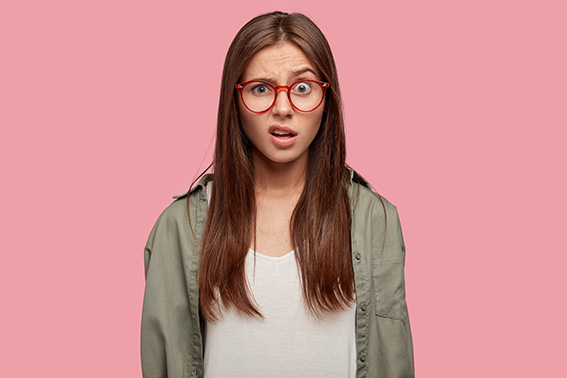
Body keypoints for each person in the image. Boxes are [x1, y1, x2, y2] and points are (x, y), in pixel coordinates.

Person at [141, 11, 414, 378]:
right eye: (260, 88)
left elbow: (393, 361)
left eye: (302, 88)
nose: (283, 108)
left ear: (326, 97)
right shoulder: (180, 228)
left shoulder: (375, 219)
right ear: (234, 101)